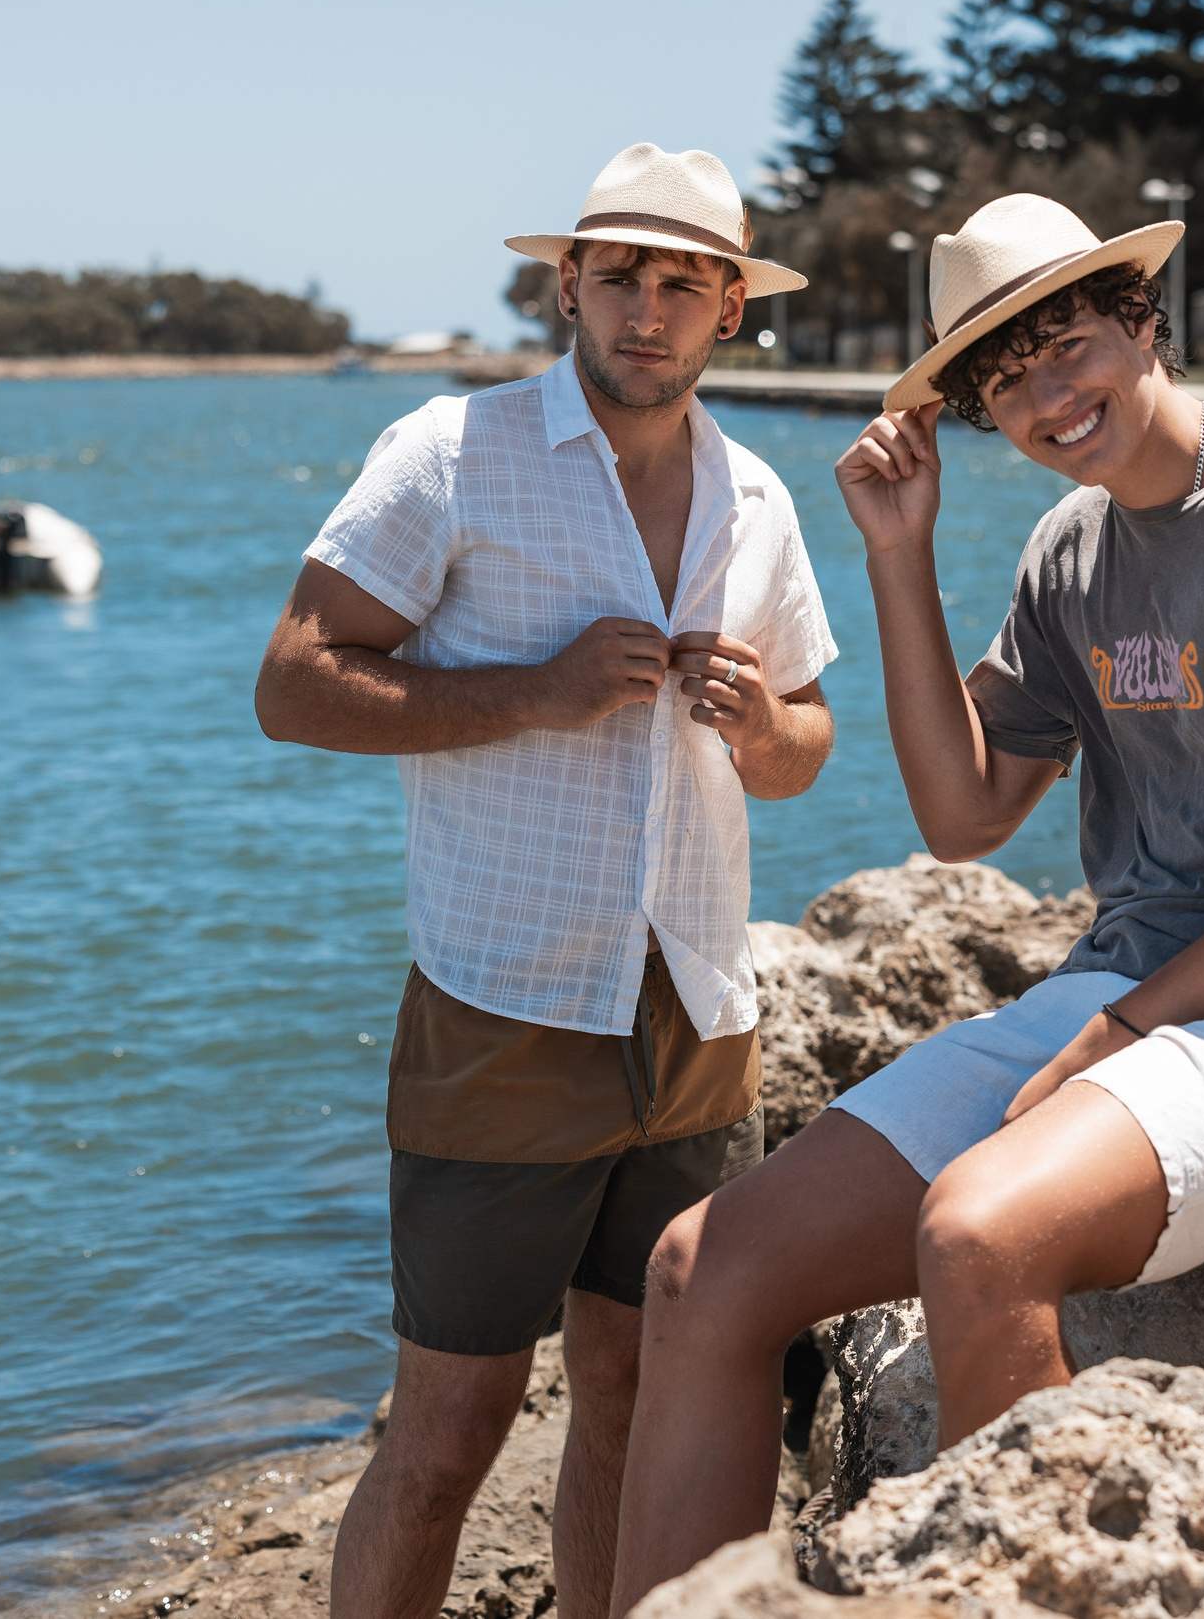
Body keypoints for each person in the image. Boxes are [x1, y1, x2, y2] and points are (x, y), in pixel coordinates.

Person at [609, 194, 1204, 1608]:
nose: (1049, 395)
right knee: (697, 1270)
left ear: (1142, 323)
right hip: (1141, 982)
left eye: (1067, 344)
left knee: (986, 1237)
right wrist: (897, 553)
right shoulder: (1074, 557)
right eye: (1003, 378)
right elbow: (966, 813)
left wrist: (1123, 1032)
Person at [253, 143, 838, 1619]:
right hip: (503, 1009)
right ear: (566, 283)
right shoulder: (452, 454)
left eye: (685, 284)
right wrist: (536, 688)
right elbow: (294, 684)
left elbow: (809, 745)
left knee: (637, 1399)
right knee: (449, 1432)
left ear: (729, 312)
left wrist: (764, 725)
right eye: (624, 276)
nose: (650, 311)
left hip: (699, 1011)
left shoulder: (758, 497)